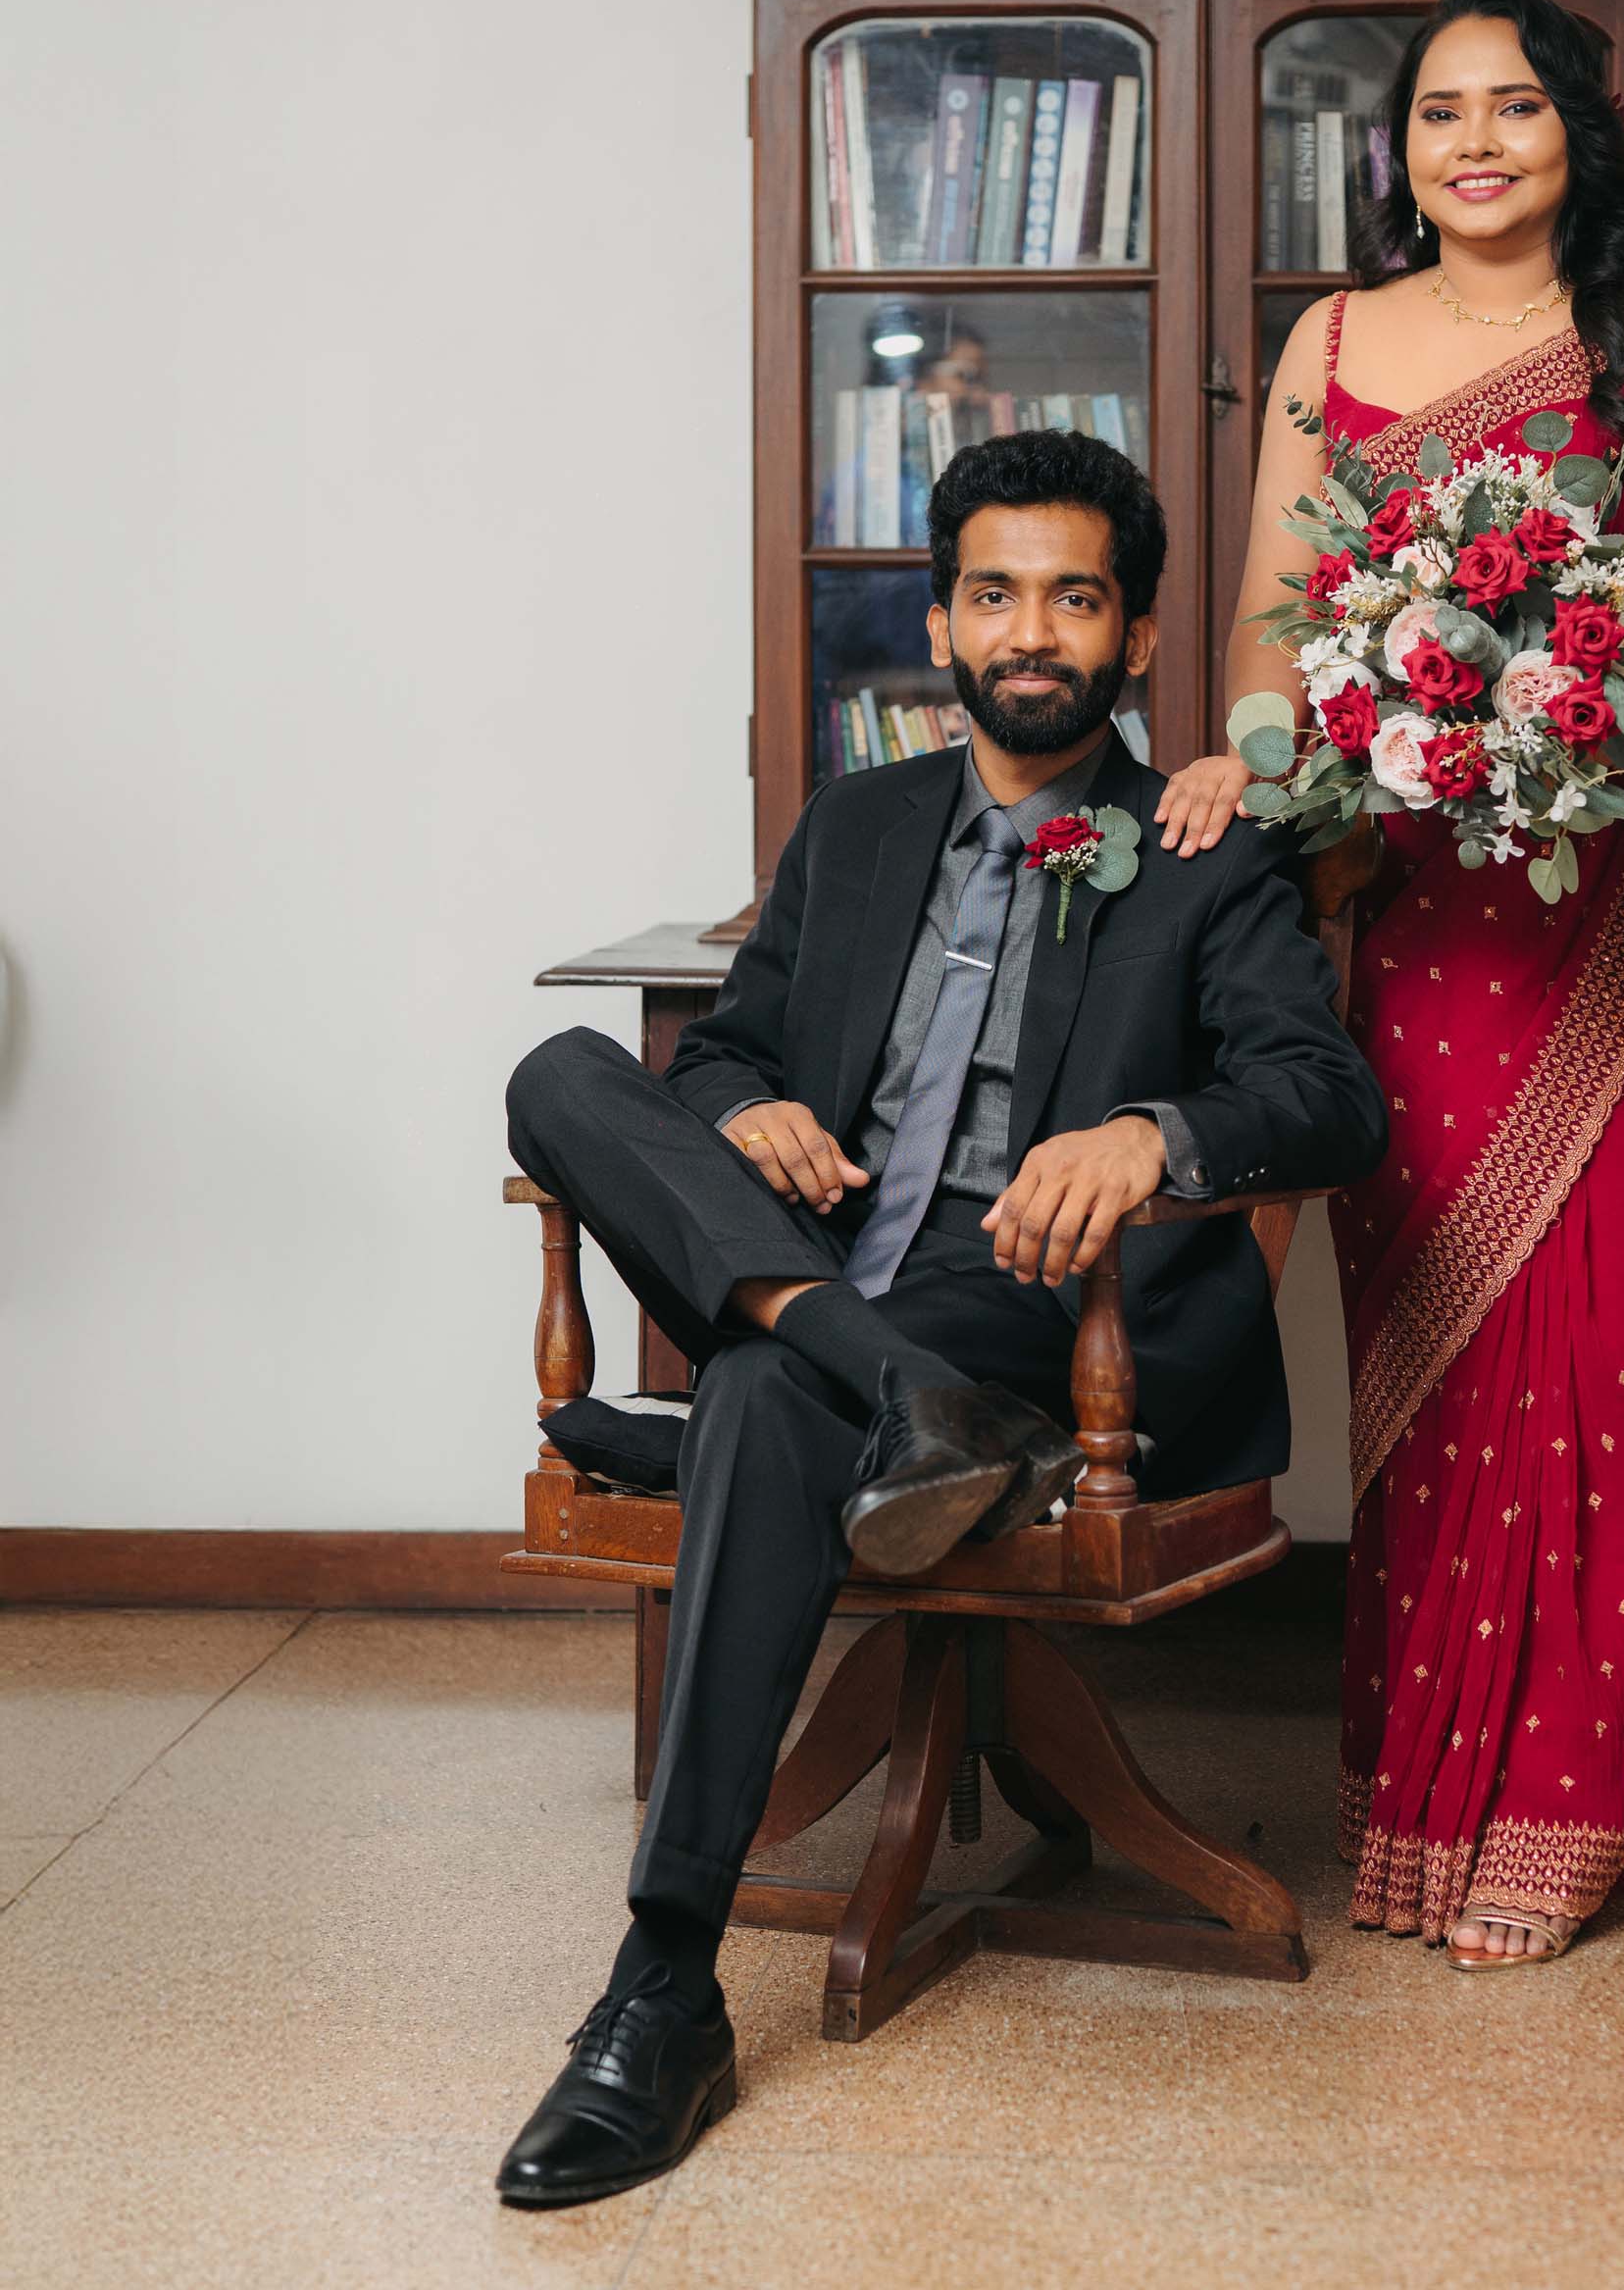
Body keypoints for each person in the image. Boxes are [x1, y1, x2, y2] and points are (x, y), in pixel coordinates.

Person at [497, 430, 1387, 2205]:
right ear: (942, 619)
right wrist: (745, 1104)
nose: (1029, 630)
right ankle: (884, 1381)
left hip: (1045, 1308)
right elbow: (742, 1039)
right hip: (850, 1260)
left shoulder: (1197, 849)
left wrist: (1154, 1133)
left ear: (1136, 638)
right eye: (995, 592)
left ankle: (661, 1990)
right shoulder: (859, 821)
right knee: (562, 1071)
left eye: (1074, 596)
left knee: (754, 1398)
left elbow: (1330, 1100)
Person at [1156, 0, 1624, 1968]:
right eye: (1442, 109)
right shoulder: (1332, 342)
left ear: (1580, 139)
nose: (1475, 140)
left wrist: (1587, 667)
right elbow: (1287, 611)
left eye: (1517, 107)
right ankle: (1424, 1785)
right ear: (1401, 149)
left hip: (1623, 924)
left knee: (1603, 1343)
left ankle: (1568, 1795)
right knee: (1441, 1352)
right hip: (1409, 910)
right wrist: (1273, 752)